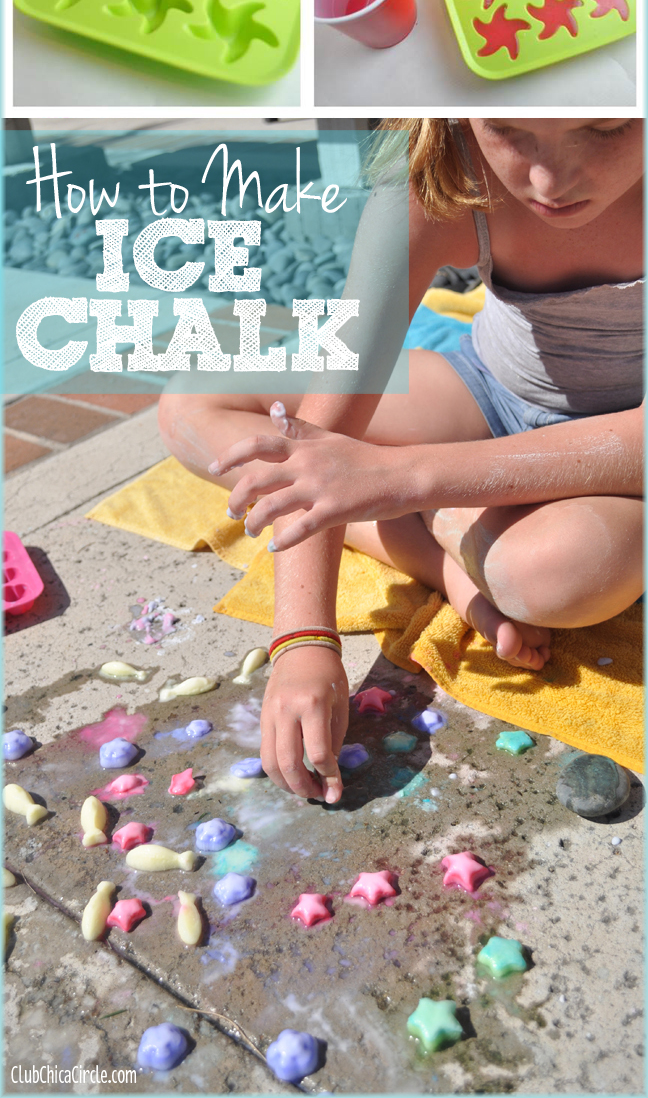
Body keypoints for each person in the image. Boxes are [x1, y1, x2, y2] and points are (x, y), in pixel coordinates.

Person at [158, 118, 643, 807]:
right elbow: (325, 420)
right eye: (509, 130)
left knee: (554, 575)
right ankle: (445, 549)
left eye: (605, 127)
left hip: (621, 461)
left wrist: (405, 476)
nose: (548, 179)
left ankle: (433, 511)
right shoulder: (442, 164)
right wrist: (300, 637)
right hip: (489, 391)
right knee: (198, 399)